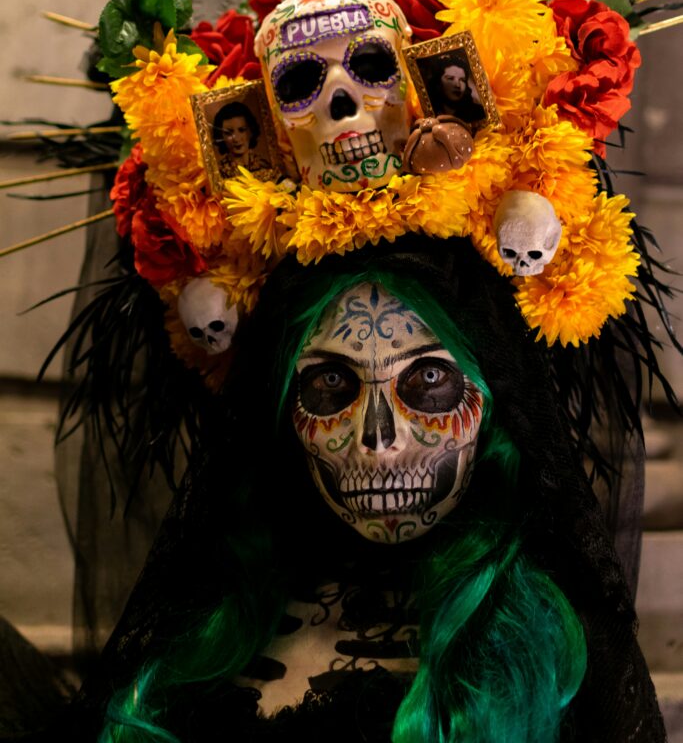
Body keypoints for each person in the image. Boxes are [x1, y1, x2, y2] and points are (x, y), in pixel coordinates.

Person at [46, 236, 663, 743]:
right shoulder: (212, 620)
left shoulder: (562, 651)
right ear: (284, 408)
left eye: (427, 378)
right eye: (331, 383)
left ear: (498, 404)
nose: (379, 440)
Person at [212, 101, 270, 177]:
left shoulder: (265, 166)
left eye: (242, 130)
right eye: (229, 133)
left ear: (251, 131)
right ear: (221, 136)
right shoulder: (218, 173)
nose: (236, 138)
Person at [426, 53, 486, 126]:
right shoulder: (429, 114)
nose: (458, 85)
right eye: (450, 78)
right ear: (438, 82)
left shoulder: (478, 113)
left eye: (462, 80)